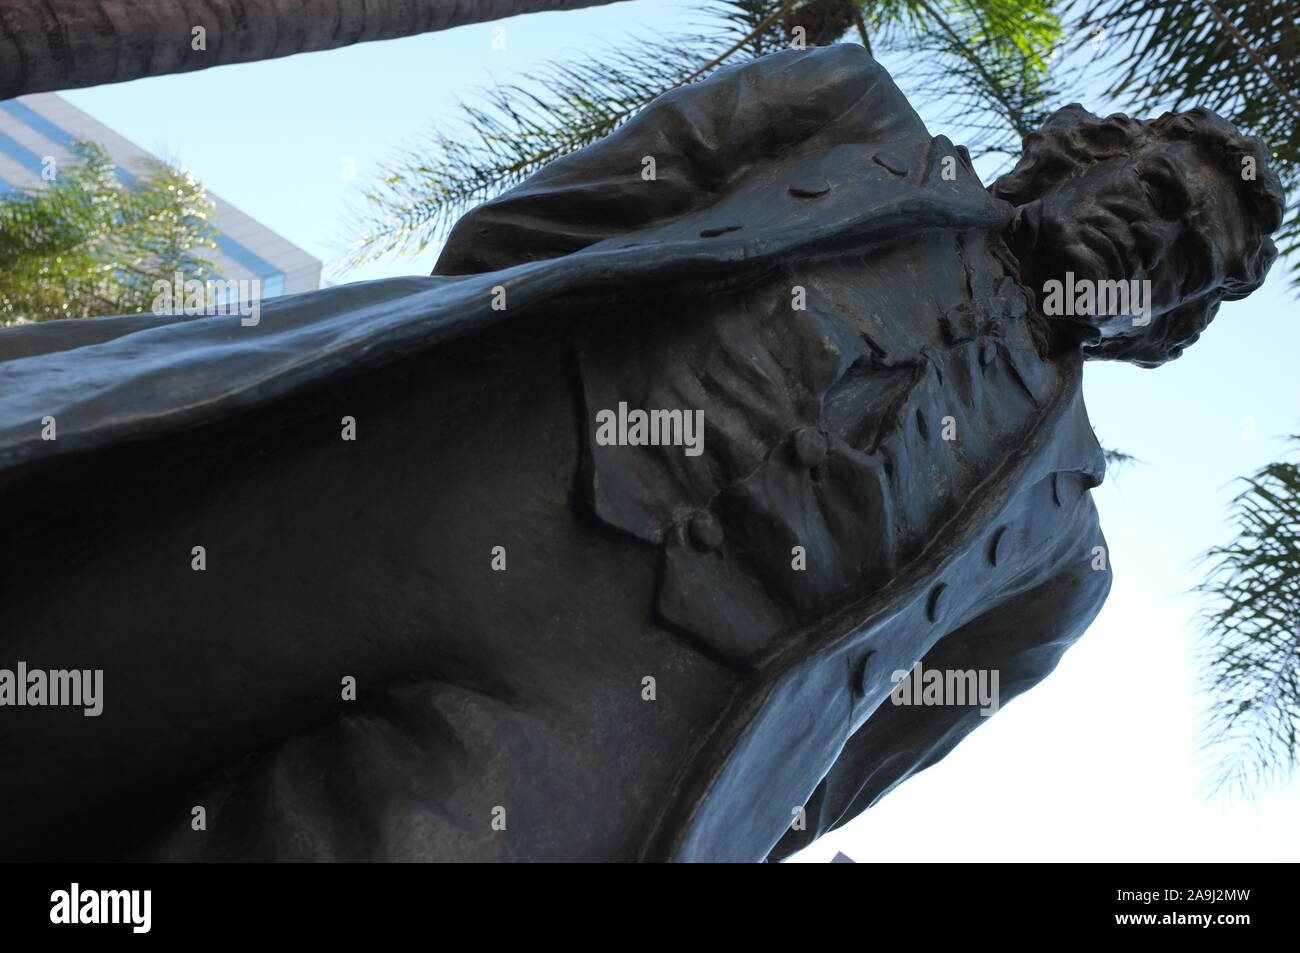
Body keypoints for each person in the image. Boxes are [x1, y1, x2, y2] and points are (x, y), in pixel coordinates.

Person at [0, 44, 1283, 862]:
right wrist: (458, 404)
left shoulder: (1059, 565)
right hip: (429, 491)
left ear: (1166, 328)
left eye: (1187, 271)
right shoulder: (842, 110)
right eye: (1158, 192)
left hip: (575, 740)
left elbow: (829, 779)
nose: (1148, 245)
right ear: (1090, 149)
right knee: (69, 673)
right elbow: (532, 235)